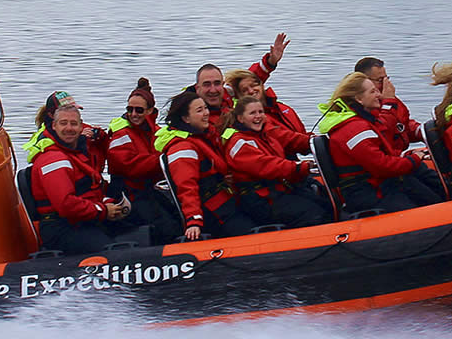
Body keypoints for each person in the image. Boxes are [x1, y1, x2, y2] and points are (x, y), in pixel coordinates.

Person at [315, 72, 443, 215]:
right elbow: (381, 166)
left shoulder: (364, 120)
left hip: (380, 184)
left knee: (431, 196)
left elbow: (388, 128)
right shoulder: (352, 129)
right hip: (367, 192)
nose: (379, 95)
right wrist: (413, 159)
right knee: (420, 209)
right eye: (373, 91)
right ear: (359, 99)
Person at [28, 102, 139, 254]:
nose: (69, 128)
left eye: (73, 124)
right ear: (53, 126)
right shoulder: (53, 159)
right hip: (60, 227)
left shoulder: (76, 154)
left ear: (81, 127)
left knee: (142, 224)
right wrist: (102, 210)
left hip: (83, 219)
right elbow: (66, 204)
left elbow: (89, 191)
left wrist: (108, 204)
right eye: (63, 123)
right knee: (111, 251)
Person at [156, 90, 255, 240]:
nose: (206, 113)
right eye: (199, 110)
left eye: (205, 108)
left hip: (227, 202)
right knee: (250, 231)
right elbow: (186, 186)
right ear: (186, 118)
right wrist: (193, 220)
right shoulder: (183, 147)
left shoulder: (204, 137)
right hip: (214, 211)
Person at [220, 95, 327, 229]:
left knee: (323, 202)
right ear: (240, 118)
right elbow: (266, 165)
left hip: (276, 191)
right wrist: (299, 167)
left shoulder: (265, 136)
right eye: (252, 113)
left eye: (260, 112)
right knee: (312, 213)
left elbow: (289, 141)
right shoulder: (239, 143)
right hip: (258, 199)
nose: (258, 116)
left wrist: (316, 143)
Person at [105, 78, 182, 240]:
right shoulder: (121, 134)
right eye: (130, 109)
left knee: (176, 217)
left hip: (152, 191)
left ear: (150, 111)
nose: (133, 114)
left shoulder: (158, 132)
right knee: (165, 226)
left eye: (139, 110)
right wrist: (162, 161)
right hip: (129, 194)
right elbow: (127, 164)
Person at [193, 33, 291, 127]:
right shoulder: (190, 111)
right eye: (206, 84)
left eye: (217, 83)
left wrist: (270, 62)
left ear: (223, 84)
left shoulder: (227, 94)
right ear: (197, 88)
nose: (213, 90)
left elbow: (247, 81)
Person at [226, 68, 310, 155]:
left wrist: (315, 139)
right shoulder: (254, 119)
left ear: (262, 85)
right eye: (244, 90)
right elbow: (282, 137)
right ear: (239, 97)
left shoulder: (282, 108)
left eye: (254, 85)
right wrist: (313, 141)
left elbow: (301, 134)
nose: (251, 91)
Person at [356, 57, 422, 153]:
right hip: (384, 159)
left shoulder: (388, 98)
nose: (385, 84)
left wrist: (422, 130)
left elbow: (402, 125)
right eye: (380, 80)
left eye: (386, 79)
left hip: (397, 154)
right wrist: (388, 103)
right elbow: (382, 135)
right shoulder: (363, 107)